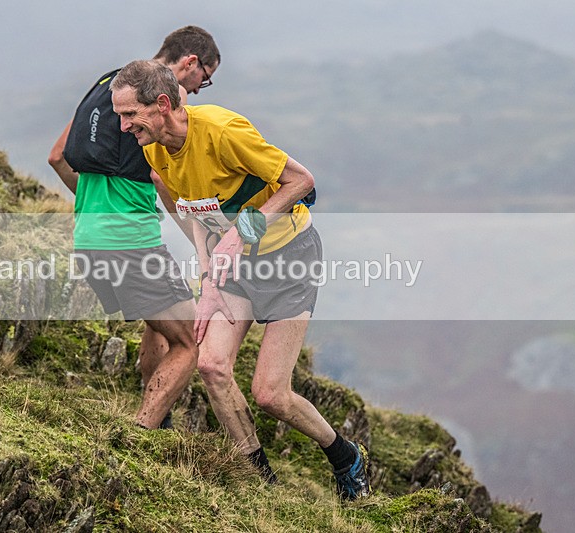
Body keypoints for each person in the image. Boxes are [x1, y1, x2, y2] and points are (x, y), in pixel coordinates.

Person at [109, 59, 370, 499]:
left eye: (129, 114)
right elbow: (197, 213)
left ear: (162, 104)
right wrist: (208, 277)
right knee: (211, 365)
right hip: (234, 268)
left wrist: (239, 234)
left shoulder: (223, 131)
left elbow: (301, 182)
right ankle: (257, 475)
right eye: (119, 115)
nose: (122, 126)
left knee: (270, 393)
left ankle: (345, 457)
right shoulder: (155, 149)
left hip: (289, 259)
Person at [48, 27, 221, 430]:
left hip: (88, 241)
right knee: (189, 342)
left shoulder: (111, 84)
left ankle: (154, 419)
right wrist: (202, 242)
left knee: (158, 325)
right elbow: (162, 180)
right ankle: (143, 432)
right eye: (205, 78)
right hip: (132, 244)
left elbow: (58, 157)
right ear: (189, 63)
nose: (197, 91)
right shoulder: (162, 107)